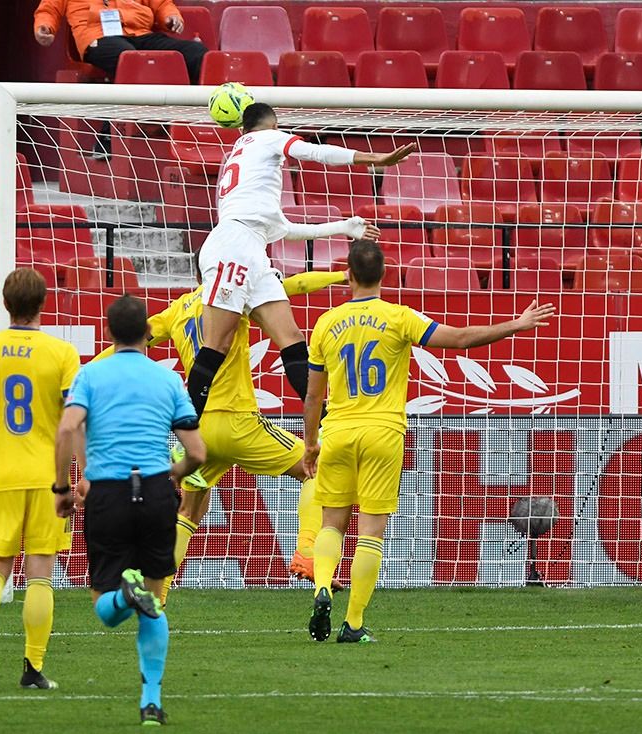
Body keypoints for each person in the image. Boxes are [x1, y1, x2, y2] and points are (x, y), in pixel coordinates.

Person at [302, 240, 556, 643]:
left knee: (332, 523)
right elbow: (459, 339)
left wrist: (311, 442)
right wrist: (516, 325)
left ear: (347, 275)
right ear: (385, 275)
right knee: (371, 530)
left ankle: (320, 589)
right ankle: (352, 624)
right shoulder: (399, 317)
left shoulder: (325, 324)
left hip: (337, 431)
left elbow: (313, 395)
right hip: (383, 433)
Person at [93, 260, 377, 602]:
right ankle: (306, 550)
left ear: (197, 274)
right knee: (315, 465)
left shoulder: (176, 311)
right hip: (239, 422)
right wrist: (341, 275)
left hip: (198, 429)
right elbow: (293, 285)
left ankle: (158, 595)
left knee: (189, 511)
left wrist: (84, 372)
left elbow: (126, 345)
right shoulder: (235, 297)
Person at [186, 103, 417, 424]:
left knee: (292, 340)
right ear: (274, 124)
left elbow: (282, 229)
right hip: (233, 248)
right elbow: (316, 153)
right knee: (217, 345)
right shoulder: (267, 139)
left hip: (251, 249)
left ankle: (324, 424)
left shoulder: (244, 161)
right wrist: (374, 159)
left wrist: (343, 227)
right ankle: (183, 432)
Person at [54, 294, 206, 725]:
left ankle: (123, 595)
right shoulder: (168, 381)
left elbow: (67, 427)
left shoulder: (91, 374)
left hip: (109, 494)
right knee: (154, 602)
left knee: (106, 603)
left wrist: (64, 487)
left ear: (107, 332)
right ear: (149, 333)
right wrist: (172, 474)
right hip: (156, 492)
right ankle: (151, 700)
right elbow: (198, 452)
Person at [0, 268, 80, 691]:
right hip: (48, 479)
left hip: (4, 476)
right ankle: (32, 668)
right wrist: (77, 476)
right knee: (41, 574)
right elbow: (73, 421)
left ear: (5, 303)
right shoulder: (62, 353)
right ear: (42, 304)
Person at [33, 0, 207, 83]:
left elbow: (161, 4)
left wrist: (171, 17)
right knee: (128, 57)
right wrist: (45, 27)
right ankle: (111, 130)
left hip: (140, 33)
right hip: (97, 36)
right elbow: (49, 9)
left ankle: (183, 120)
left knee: (196, 53)